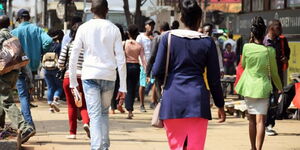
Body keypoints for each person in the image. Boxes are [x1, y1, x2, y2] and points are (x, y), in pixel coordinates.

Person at [152, 1, 226, 149]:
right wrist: (220, 105)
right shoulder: (207, 42)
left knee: (177, 146)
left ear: (181, 18)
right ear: (200, 19)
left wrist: (162, 93)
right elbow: (214, 80)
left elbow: (156, 71)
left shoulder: (168, 38)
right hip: (197, 101)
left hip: (172, 100)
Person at [68, 0, 127, 149]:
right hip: (109, 75)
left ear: (91, 10)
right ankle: (104, 146)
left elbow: (74, 55)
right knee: (103, 113)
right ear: (106, 10)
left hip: (89, 75)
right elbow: (121, 59)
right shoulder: (113, 29)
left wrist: (73, 82)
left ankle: (97, 147)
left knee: (94, 115)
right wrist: (123, 87)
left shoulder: (83, 28)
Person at [235, 16, 283, 150]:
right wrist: (280, 88)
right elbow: (274, 73)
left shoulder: (246, 47)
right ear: (264, 33)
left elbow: (243, 65)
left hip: (249, 87)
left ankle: (252, 147)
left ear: (252, 33)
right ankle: (259, 149)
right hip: (262, 88)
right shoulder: (270, 51)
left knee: (251, 120)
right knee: (261, 120)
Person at [12, 9, 53, 128]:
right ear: (29, 18)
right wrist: (40, 51)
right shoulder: (37, 29)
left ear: (19, 19)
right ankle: (24, 120)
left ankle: (28, 124)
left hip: (20, 67)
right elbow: (49, 41)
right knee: (26, 93)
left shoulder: (14, 32)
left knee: (23, 95)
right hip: (33, 66)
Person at [0, 15, 35, 144]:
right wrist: (28, 78)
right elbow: (22, 59)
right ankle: (1, 125)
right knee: (2, 99)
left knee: (6, 101)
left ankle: (25, 127)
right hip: (14, 72)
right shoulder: (13, 37)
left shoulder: (1, 36)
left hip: (3, 73)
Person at [58, 22, 90, 139]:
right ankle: (86, 122)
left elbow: (61, 63)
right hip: (84, 78)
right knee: (83, 104)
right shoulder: (87, 46)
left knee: (71, 105)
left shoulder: (69, 45)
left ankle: (72, 133)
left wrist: (62, 66)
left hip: (69, 78)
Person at [263, 19, 290, 136]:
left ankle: (269, 124)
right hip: (265, 76)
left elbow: (287, 52)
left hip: (277, 76)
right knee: (267, 100)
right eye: (278, 28)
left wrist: (286, 58)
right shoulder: (263, 41)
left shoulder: (282, 40)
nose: (281, 30)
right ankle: (264, 124)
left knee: (274, 100)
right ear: (271, 29)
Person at [123, 24, 147, 119]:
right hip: (136, 67)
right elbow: (143, 59)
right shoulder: (139, 45)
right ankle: (130, 109)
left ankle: (128, 108)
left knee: (127, 88)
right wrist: (146, 70)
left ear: (128, 33)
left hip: (126, 66)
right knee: (132, 89)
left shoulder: (124, 43)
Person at [146, 22, 170, 104]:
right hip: (171, 69)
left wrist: (147, 72)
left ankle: (162, 107)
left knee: (159, 92)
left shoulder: (157, 38)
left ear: (160, 30)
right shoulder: (173, 38)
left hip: (159, 68)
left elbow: (152, 56)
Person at [136, 19, 155, 112]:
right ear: (145, 26)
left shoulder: (154, 38)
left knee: (154, 82)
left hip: (153, 64)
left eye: (152, 25)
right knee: (143, 84)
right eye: (149, 25)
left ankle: (153, 102)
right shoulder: (140, 37)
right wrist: (140, 62)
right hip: (143, 64)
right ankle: (141, 104)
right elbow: (137, 50)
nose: (151, 27)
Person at [43, 28, 64, 113]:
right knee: (59, 86)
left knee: (50, 87)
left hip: (46, 68)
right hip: (56, 68)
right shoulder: (59, 46)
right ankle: (55, 100)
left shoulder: (46, 45)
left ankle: (50, 106)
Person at [110, 23, 126, 114]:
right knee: (120, 87)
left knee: (113, 88)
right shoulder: (123, 42)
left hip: (112, 66)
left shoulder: (111, 41)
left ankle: (112, 108)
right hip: (121, 66)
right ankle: (119, 104)